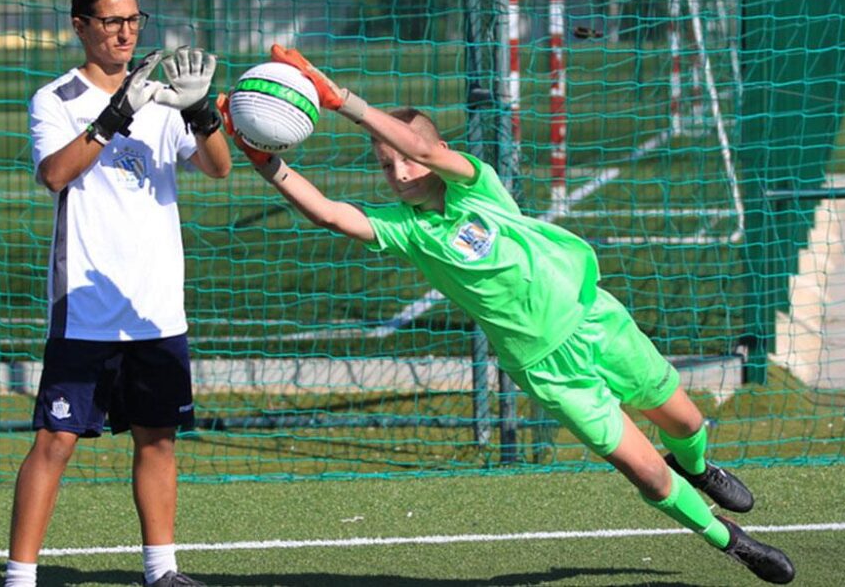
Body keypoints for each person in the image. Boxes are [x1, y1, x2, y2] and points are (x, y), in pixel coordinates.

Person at [218, 44, 796, 585]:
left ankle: (699, 467)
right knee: (644, 471)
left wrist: (342, 100)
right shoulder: (408, 231)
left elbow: (426, 151)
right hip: (547, 368)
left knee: (687, 424)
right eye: (384, 166)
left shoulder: (476, 186)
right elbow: (328, 213)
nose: (398, 173)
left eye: (404, 160)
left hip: (596, 319)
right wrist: (262, 159)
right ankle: (731, 541)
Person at [5, 0, 230, 586]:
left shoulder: (165, 98)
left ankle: (162, 571)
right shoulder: (55, 99)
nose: (126, 32)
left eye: (134, 20)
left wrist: (201, 109)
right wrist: (115, 114)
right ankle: (19, 577)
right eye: (111, 21)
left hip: (156, 305)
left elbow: (219, 168)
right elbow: (55, 174)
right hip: (87, 306)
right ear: (80, 26)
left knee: (157, 439)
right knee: (56, 438)